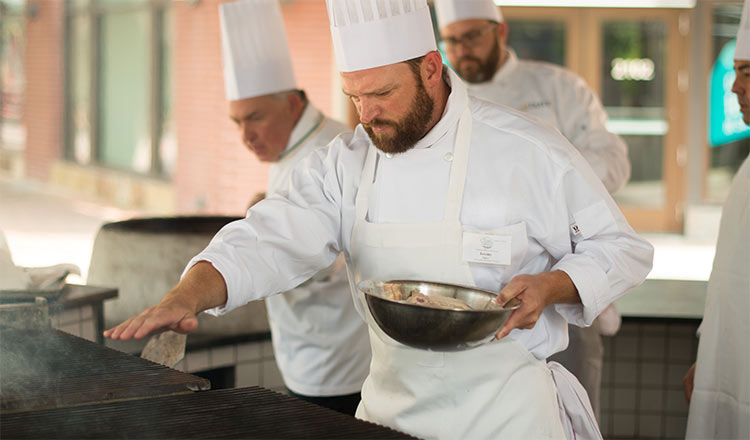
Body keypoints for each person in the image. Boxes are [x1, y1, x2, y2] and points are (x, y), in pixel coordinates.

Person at [105, 0, 653, 438]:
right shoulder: (345, 164)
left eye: (383, 94)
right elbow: (267, 236)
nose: (366, 115)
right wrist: (187, 294)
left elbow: (621, 249)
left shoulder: (528, 149)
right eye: (354, 96)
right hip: (390, 416)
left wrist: (552, 285)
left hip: (506, 417)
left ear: (432, 68)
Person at [434, 0, 629, 417]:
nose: (462, 50)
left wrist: (548, 188)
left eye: (472, 37)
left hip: (563, 285)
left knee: (569, 410)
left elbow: (613, 159)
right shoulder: (442, 103)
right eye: (452, 41)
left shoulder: (560, 87)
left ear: (500, 32)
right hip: (479, 294)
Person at [215, 0, 370, 416]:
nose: (246, 136)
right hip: (309, 351)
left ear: (293, 104)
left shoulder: (330, 151)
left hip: (339, 360)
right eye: (237, 122)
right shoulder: (290, 147)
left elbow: (324, 259)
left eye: (256, 117)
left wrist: (268, 226)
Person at [683, 2, 750, 437]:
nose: (734, 89)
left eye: (749, 74)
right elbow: (730, 280)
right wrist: (710, 356)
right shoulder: (746, 170)